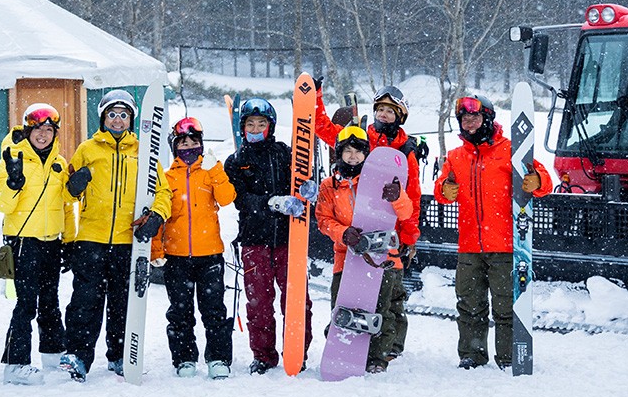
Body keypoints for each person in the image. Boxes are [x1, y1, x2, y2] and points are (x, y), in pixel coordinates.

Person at [60, 89, 172, 381]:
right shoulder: (88, 149)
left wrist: (157, 216)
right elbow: (66, 193)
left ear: (132, 119)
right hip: (91, 238)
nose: (118, 120)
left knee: (122, 302)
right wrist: (74, 185)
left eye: (123, 115)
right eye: (112, 114)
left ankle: (120, 356)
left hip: (127, 240)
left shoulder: (143, 151)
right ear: (102, 117)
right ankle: (78, 356)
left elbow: (163, 191)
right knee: (86, 300)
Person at [435, 93, 553, 369]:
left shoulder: (511, 150)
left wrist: (538, 181)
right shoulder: (455, 156)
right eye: (464, 118)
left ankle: (509, 356)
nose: (469, 122)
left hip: (503, 245)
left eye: (474, 116)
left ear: (487, 117)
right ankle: (472, 355)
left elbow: (545, 181)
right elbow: (442, 189)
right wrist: (443, 189)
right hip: (469, 247)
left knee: (505, 306)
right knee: (469, 304)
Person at [314, 84, 420, 361]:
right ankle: (350, 342)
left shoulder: (405, 149)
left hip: (389, 230)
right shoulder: (362, 138)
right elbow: (325, 129)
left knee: (390, 295)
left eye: (390, 111)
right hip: (354, 233)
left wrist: (409, 237)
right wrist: (313, 98)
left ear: (400, 115)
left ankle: (387, 349)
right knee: (353, 295)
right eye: (380, 110)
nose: (383, 115)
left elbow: (413, 198)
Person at [223, 97, 312, 374]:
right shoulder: (236, 162)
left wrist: (307, 190)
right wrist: (271, 203)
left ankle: (297, 350)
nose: (256, 128)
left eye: (261, 123)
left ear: (270, 126)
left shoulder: (285, 153)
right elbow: (240, 199)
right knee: (259, 302)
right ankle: (263, 355)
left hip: (289, 240)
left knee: (297, 300)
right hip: (254, 241)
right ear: (243, 127)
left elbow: (300, 182)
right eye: (251, 123)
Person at [0, 102, 73, 385]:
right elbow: (2, 205)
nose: (43, 135)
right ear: (28, 130)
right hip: (24, 241)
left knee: (50, 302)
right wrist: (14, 182)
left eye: (49, 129)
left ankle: (52, 356)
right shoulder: (9, 159)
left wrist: (70, 240)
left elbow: (65, 205)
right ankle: (15, 365)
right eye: (38, 129)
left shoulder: (59, 163)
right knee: (26, 304)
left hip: (52, 241)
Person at [152, 117, 237, 379]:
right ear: (175, 146)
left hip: (209, 254)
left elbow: (227, 198)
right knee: (180, 312)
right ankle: (185, 358)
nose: (189, 146)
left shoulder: (211, 171)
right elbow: (160, 215)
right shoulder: (167, 177)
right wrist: (156, 250)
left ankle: (218, 358)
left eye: (194, 142)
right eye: (183, 142)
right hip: (176, 256)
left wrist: (215, 171)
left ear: (201, 144)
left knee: (214, 311)